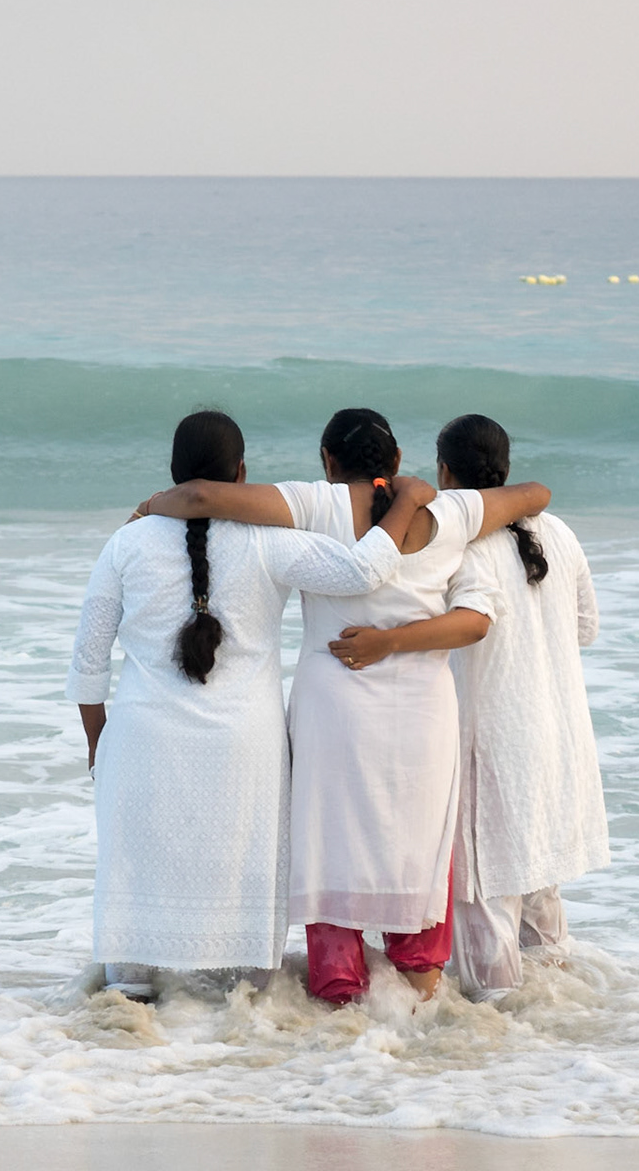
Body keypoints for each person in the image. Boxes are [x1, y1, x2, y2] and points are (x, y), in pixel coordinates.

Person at [139, 408, 549, 1003]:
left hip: (333, 711)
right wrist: (418, 495)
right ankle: (420, 990)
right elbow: (536, 493)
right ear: (399, 461)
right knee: (419, 849)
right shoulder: (451, 511)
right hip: (423, 715)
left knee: (330, 846)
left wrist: (152, 508)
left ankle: (339, 995)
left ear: (328, 462)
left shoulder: (317, 504)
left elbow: (202, 494)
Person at [66, 410, 436, 1000]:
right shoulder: (271, 543)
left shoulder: (127, 542)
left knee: (134, 884)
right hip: (246, 746)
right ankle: (246, 1009)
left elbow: (88, 660)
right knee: (245, 914)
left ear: (173, 475)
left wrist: (97, 740)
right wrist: (406, 502)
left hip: (142, 740)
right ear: (241, 473)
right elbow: (367, 570)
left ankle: (130, 1001)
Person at [340, 413, 607, 1001]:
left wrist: (388, 641)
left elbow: (472, 627)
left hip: (495, 736)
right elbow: (585, 627)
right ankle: (560, 1018)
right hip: (558, 733)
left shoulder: (464, 542)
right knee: (540, 884)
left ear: (443, 471)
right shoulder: (559, 533)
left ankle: (496, 1030)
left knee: (485, 892)